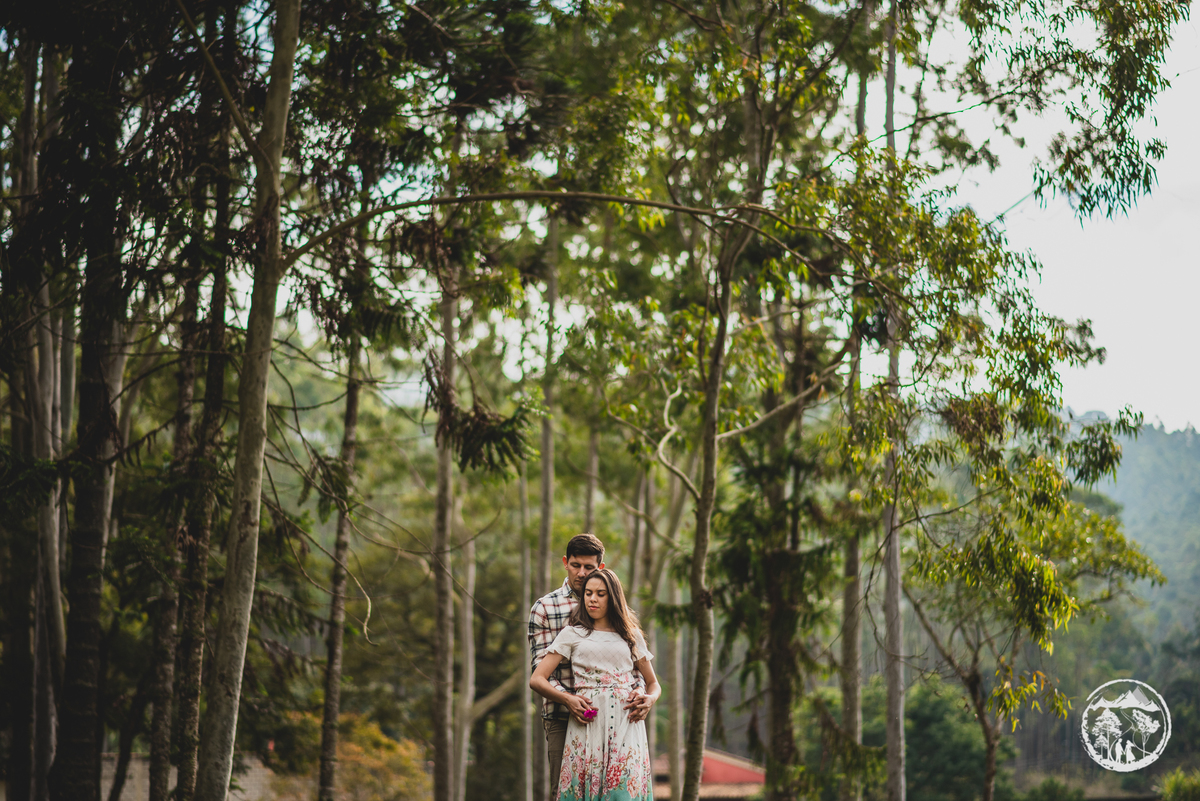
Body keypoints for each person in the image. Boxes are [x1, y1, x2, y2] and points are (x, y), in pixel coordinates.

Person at [528, 536, 655, 798]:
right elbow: (540, 670)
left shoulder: (624, 626)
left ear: (601, 568)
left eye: (589, 568)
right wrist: (569, 699)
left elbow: (634, 671)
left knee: (620, 791)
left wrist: (641, 694)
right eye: (576, 565)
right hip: (563, 715)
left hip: (621, 719)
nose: (582, 573)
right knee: (568, 789)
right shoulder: (546, 608)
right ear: (566, 563)